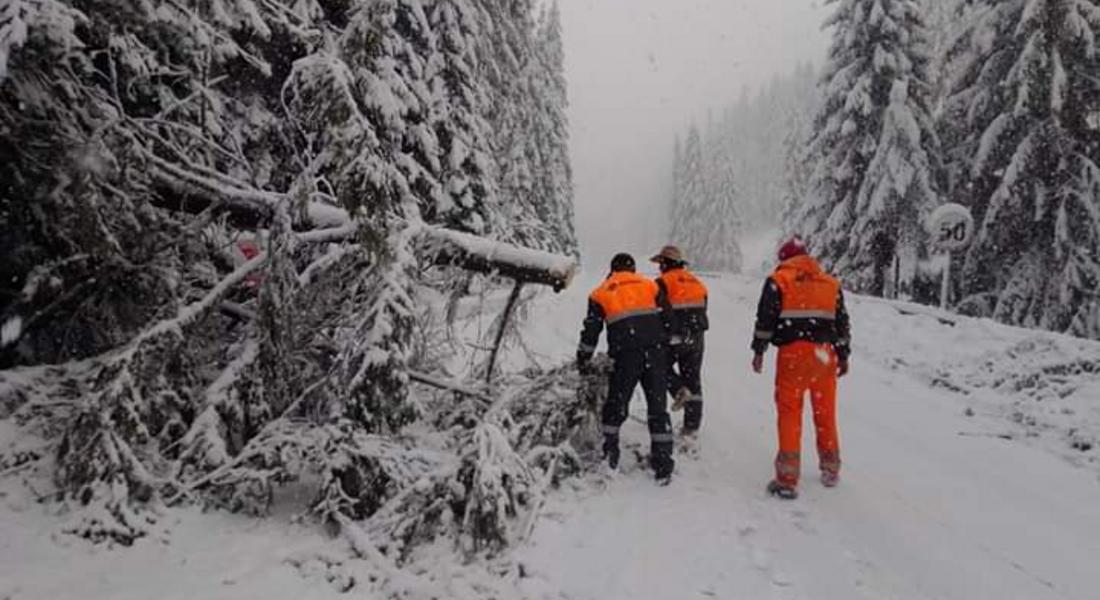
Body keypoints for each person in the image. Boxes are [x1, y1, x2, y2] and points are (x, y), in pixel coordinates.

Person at [751, 237, 851, 500]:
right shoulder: (830, 283)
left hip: (793, 354)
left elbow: (765, 319)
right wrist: (843, 355)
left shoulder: (779, 281)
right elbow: (842, 324)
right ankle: (830, 467)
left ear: (785, 259)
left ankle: (787, 478)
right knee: (825, 411)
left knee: (789, 412)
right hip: (824, 355)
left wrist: (759, 350)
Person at [577, 253, 676, 484]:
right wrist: (663, 345)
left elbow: (591, 331)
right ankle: (663, 465)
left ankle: (609, 457)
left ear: (612, 270)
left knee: (616, 405)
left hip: (625, 356)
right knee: (658, 409)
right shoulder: (650, 285)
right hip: (655, 352)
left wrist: (583, 359)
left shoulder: (600, 292)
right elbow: (669, 320)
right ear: (632, 269)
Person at [650, 245, 709, 435]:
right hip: (697, 337)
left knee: (658, 367)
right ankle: (691, 427)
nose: (659, 267)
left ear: (666, 263)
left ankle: (678, 390)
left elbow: (658, 313)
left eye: (661, 263)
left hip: (674, 336)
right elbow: (702, 309)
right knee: (694, 378)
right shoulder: (698, 283)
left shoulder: (661, 283)